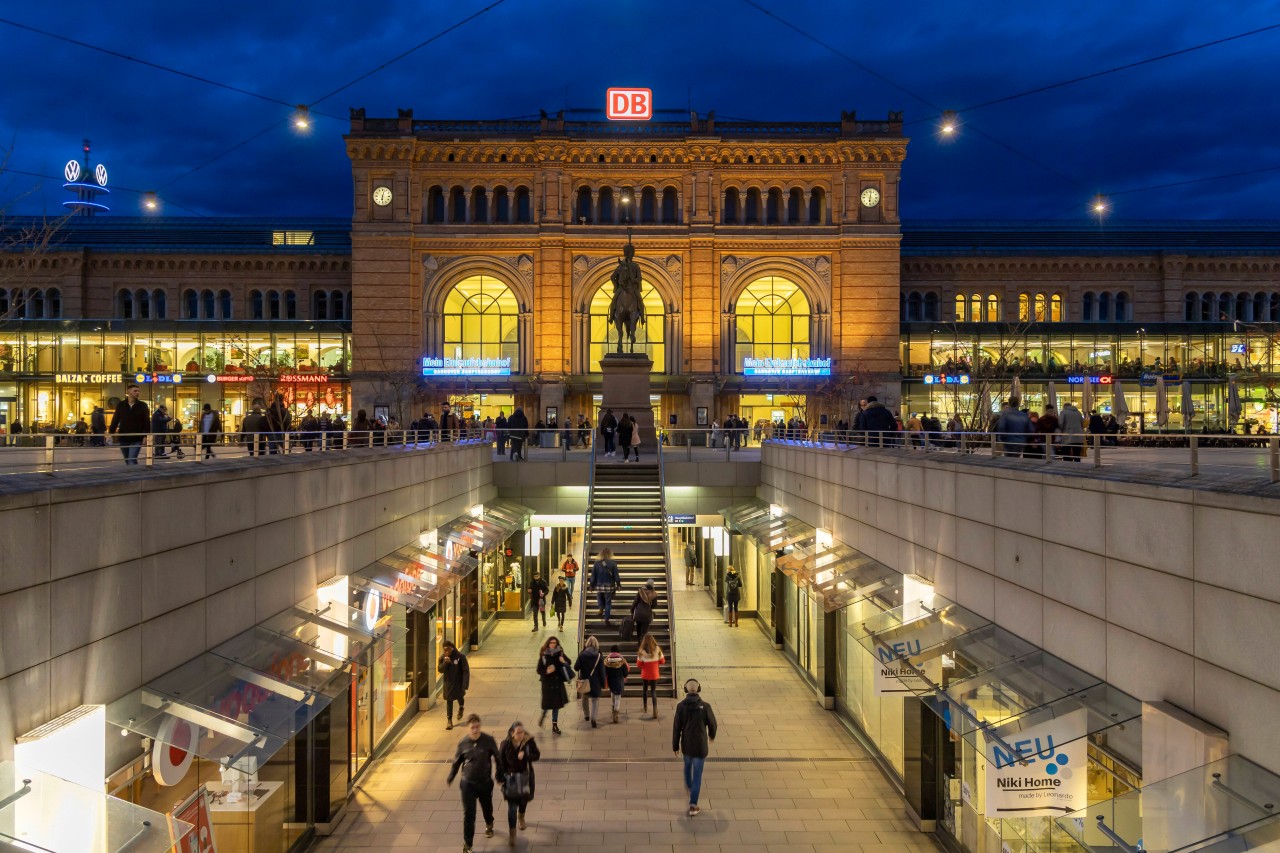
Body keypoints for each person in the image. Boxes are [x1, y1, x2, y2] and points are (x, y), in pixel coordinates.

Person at [446, 714, 503, 853]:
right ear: (467, 728)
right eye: (472, 727)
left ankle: (489, 822)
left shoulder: (488, 740)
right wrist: (451, 776)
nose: (475, 730)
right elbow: (457, 761)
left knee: (487, 807)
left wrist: (499, 775)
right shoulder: (463, 743)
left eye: (477, 727)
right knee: (469, 814)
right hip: (468, 784)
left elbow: (498, 758)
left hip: (484, 782)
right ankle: (468, 844)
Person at [672, 678, 718, 817]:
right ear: (698, 689)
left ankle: (690, 787)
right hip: (700, 746)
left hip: (687, 744)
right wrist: (711, 735)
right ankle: (693, 805)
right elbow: (713, 724)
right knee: (697, 774)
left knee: (687, 767)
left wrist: (675, 745)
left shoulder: (681, 706)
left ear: (685, 690)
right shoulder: (706, 706)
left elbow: (676, 728)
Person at [498, 721, 540, 846]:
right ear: (512, 733)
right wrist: (500, 778)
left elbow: (537, 755)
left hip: (525, 777)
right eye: (518, 732)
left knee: (524, 800)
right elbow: (500, 762)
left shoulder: (529, 742)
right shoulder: (505, 745)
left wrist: (526, 755)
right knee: (511, 807)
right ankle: (512, 833)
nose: (521, 734)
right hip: (511, 779)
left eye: (522, 732)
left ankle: (521, 816)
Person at [536, 636, 571, 734]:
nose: (553, 644)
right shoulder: (543, 655)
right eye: (551, 642)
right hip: (547, 684)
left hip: (557, 683)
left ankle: (554, 725)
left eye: (555, 642)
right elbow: (538, 669)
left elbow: (569, 662)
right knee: (547, 705)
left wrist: (563, 661)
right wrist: (546, 671)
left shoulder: (560, 653)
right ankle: (543, 715)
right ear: (548, 643)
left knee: (556, 706)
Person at [108, 384, 150, 464]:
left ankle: (134, 475)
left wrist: (146, 435)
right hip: (124, 437)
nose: (137, 393)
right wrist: (110, 433)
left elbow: (146, 421)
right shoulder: (121, 405)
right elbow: (115, 420)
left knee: (131, 459)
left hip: (137, 437)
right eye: (135, 391)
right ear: (128, 392)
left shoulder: (143, 405)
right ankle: (133, 473)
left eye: (138, 391)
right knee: (127, 460)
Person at [574, 636, 606, 728]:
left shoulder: (582, 654)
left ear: (587, 644)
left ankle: (586, 715)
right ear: (596, 644)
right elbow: (602, 671)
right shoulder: (599, 655)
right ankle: (593, 718)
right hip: (596, 682)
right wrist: (603, 683)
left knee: (584, 698)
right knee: (595, 700)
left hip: (585, 681)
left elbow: (576, 667)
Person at [438, 639, 471, 730]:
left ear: (452, 648)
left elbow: (465, 671)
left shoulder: (460, 657)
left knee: (460, 697)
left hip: (458, 683)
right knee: (449, 701)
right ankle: (449, 720)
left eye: (448, 649)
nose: (446, 652)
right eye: (445, 650)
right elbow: (440, 670)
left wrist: (465, 684)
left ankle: (461, 707)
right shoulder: (442, 658)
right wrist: (446, 663)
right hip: (448, 684)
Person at [589, 547, 621, 625]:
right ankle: (606, 618)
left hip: (599, 585)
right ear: (610, 554)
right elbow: (616, 575)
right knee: (608, 602)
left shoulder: (597, 563)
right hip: (609, 586)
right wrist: (618, 584)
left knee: (599, 597)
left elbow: (593, 575)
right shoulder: (613, 563)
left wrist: (591, 585)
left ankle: (600, 608)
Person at [637, 633, 666, 719]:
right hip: (654, 673)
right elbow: (662, 661)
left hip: (645, 673)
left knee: (645, 690)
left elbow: (638, 664)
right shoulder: (658, 649)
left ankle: (645, 707)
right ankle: (655, 709)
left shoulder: (641, 651)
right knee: (653, 691)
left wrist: (644, 665)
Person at [603, 644, 630, 724]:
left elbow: (605, 673)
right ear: (618, 651)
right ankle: (616, 712)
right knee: (618, 697)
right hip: (619, 681)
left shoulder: (607, 660)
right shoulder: (622, 661)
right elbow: (625, 673)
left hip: (611, 681)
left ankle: (613, 706)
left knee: (612, 692)